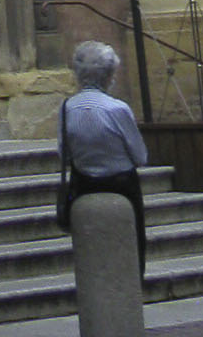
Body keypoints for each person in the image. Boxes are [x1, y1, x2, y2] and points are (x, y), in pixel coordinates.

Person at [57, 43, 149, 282]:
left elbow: (64, 154)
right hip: (122, 185)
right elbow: (140, 157)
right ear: (109, 75)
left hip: (84, 184)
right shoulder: (118, 109)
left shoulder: (67, 108)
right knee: (131, 243)